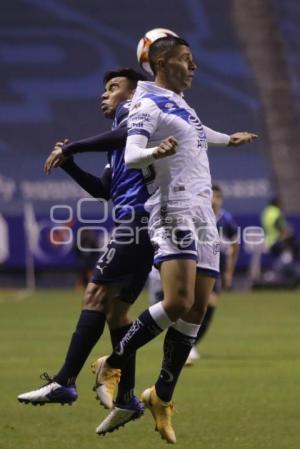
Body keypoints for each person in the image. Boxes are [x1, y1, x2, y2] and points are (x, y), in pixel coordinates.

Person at [93, 36, 257, 443]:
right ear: (162, 62)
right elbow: (132, 153)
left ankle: (161, 396)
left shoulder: (182, 103)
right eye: (187, 59)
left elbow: (198, 133)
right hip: (173, 208)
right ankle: (112, 361)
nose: (194, 66)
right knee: (177, 301)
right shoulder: (145, 105)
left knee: (196, 310)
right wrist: (155, 153)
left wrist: (227, 139)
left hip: (204, 213)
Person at [18, 68, 153, 431]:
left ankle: (64, 381)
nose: (104, 95)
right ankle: (126, 397)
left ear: (133, 91)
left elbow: (125, 133)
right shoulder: (118, 151)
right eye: (103, 89)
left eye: (113, 87)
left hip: (138, 221)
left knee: (95, 294)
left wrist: (73, 145)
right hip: (141, 224)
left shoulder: (136, 113)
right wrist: (71, 164)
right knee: (117, 313)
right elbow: (102, 191)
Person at [148, 184, 239, 365]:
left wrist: (229, 273)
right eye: (213, 196)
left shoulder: (226, 220)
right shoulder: (195, 215)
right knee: (183, 305)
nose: (215, 200)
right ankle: (182, 344)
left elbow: (235, 245)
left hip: (213, 269)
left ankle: (189, 345)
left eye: (219, 197)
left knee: (206, 306)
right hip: (189, 267)